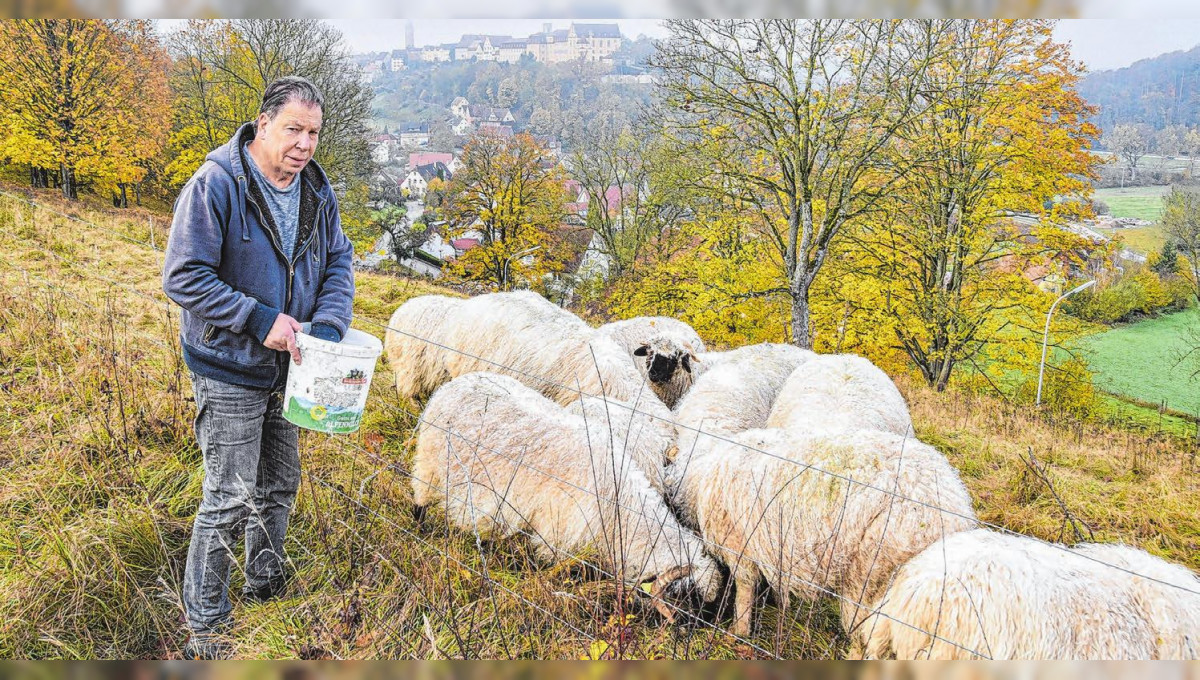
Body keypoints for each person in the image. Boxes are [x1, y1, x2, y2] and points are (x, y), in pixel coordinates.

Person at [162, 76, 355, 659]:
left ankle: (265, 582)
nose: (304, 144)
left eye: (314, 133)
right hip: (229, 364)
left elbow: (340, 260)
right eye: (293, 129)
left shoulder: (318, 192)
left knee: (279, 483)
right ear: (263, 124)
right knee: (228, 495)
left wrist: (326, 327)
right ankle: (208, 627)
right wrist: (257, 318)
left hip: (293, 368)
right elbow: (184, 275)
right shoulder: (217, 185)